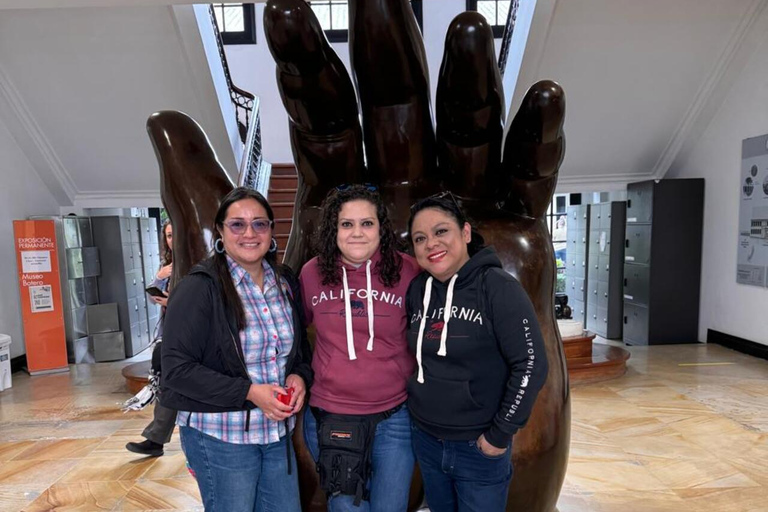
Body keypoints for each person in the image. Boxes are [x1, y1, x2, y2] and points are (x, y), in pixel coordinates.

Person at [161, 187, 313, 512]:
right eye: (237, 224)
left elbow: (297, 353)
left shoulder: (284, 282)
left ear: (272, 230)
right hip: (221, 438)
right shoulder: (200, 287)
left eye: (260, 224)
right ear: (220, 230)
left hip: (276, 435)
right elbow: (176, 371)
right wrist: (249, 392)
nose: (249, 233)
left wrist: (299, 376)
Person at [405, 192, 549, 512]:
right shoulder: (417, 291)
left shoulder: (497, 287)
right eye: (420, 238)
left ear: (465, 233)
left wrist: (499, 436)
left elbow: (531, 364)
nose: (431, 243)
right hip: (426, 439)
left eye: (441, 231)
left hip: (478, 447)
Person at [299, 185, 420, 511]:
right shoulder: (311, 274)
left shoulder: (409, 271)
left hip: (394, 418)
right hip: (331, 417)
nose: (357, 233)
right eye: (346, 224)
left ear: (381, 227)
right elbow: (294, 335)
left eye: (366, 223)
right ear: (333, 229)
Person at [126, 220, 177, 457]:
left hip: (190, 337)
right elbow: (154, 298)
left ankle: (157, 439)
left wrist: (173, 302)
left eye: (174, 234)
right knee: (167, 386)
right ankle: (155, 439)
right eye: (167, 236)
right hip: (169, 335)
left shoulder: (198, 262)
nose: (171, 240)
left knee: (173, 386)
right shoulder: (167, 265)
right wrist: (159, 277)